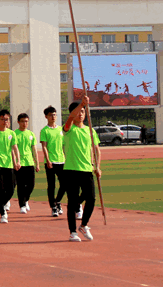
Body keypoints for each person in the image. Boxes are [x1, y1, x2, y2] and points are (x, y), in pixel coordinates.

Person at [63, 96, 101, 242]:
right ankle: (73, 231)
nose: (81, 114)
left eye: (83, 111)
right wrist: (82, 104)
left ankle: (84, 225)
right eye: (78, 111)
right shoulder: (68, 129)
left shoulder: (90, 131)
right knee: (72, 202)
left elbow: (96, 150)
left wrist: (97, 166)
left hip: (86, 170)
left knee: (90, 199)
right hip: (71, 170)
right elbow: (71, 117)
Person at [40, 106, 66, 217]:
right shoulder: (44, 131)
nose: (53, 116)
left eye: (55, 114)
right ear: (46, 116)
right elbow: (44, 146)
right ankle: (53, 207)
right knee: (51, 185)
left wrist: (66, 157)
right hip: (51, 161)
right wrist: (48, 160)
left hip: (62, 160)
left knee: (64, 184)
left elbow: (64, 145)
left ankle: (57, 200)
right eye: (51, 115)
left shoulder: (61, 129)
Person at [14, 113, 39, 213]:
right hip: (19, 163)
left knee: (31, 185)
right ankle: (22, 205)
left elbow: (34, 150)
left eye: (26, 121)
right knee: (20, 185)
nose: (25, 123)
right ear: (18, 122)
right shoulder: (14, 134)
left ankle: (26, 199)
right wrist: (15, 161)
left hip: (29, 163)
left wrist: (37, 163)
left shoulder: (31, 134)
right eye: (23, 121)